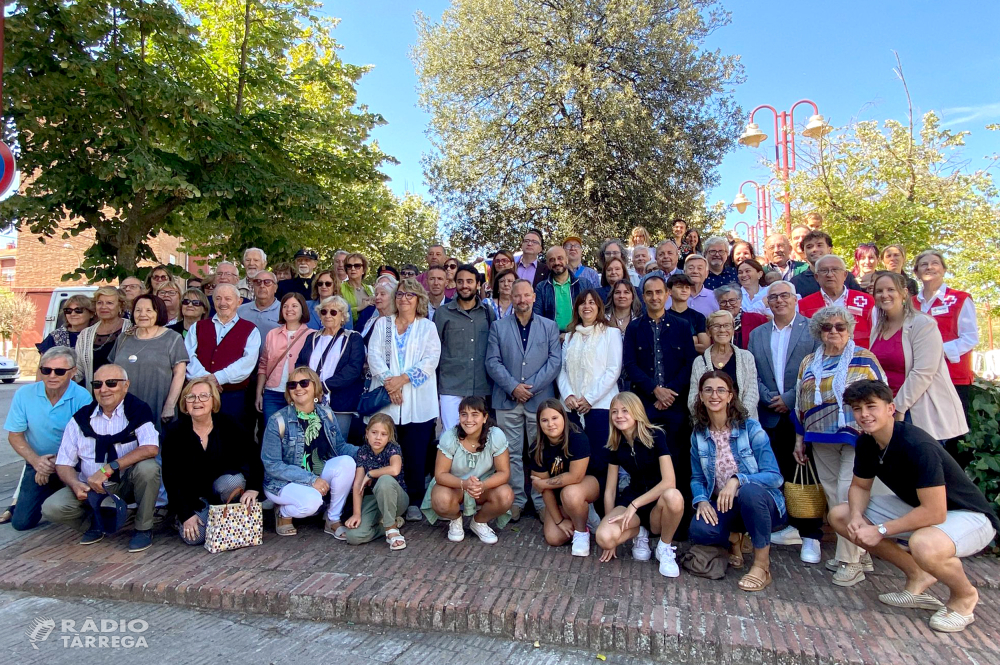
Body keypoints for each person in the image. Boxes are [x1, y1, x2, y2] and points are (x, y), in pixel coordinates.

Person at [831, 380, 1000, 633]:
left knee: (923, 543)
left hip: (971, 517)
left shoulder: (917, 445)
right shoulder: (867, 442)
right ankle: (918, 575)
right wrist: (856, 516)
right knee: (841, 515)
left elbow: (935, 512)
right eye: (856, 408)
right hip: (926, 509)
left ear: (890, 408)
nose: (863, 414)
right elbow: (860, 487)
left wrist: (880, 530)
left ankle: (964, 597)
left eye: (871, 406)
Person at [793, 305, 887, 587]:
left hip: (859, 438)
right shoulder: (810, 361)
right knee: (834, 496)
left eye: (839, 326)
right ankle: (859, 551)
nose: (833, 331)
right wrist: (799, 438)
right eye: (827, 327)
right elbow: (800, 400)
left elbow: (881, 396)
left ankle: (850, 561)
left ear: (849, 329)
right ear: (818, 332)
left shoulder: (864, 357)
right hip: (820, 437)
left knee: (849, 496)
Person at [41, 364, 161, 552]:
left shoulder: (137, 410)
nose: (103, 389)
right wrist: (74, 483)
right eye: (97, 384)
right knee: (52, 508)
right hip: (90, 486)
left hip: (125, 483)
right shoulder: (81, 418)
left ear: (126, 385)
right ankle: (97, 524)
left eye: (111, 383)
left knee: (149, 468)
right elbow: (64, 463)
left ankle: (143, 529)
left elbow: (150, 447)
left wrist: (109, 468)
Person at [747, 280, 824, 562]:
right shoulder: (757, 334)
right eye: (774, 297)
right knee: (776, 470)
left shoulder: (812, 330)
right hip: (769, 414)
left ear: (795, 299)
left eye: (785, 296)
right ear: (767, 302)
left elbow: (815, 368)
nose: (779, 301)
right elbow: (751, 369)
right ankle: (788, 525)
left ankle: (812, 535)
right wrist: (768, 397)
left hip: (800, 411)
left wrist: (789, 398)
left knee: (804, 472)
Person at [689, 371, 786, 591]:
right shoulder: (698, 434)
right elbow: (696, 477)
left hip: (763, 504)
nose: (715, 395)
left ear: (730, 396)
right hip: (726, 507)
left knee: (749, 492)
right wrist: (702, 500)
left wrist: (737, 480)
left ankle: (762, 566)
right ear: (701, 397)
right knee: (700, 530)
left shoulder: (750, 428)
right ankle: (735, 538)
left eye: (721, 390)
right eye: (708, 390)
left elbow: (775, 476)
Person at [486, 279, 561, 520]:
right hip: (507, 399)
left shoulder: (549, 327)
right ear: (511, 296)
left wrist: (530, 388)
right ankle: (517, 500)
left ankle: (542, 502)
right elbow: (492, 361)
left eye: (526, 295)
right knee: (512, 453)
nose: (522, 300)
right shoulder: (498, 326)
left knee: (539, 452)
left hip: (540, 401)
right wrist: (513, 387)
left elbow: (555, 361)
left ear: (534, 297)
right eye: (517, 296)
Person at [367, 278, 441, 522]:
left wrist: (403, 379)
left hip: (418, 400)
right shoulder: (383, 324)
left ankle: (415, 500)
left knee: (415, 453)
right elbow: (374, 355)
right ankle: (387, 499)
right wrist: (391, 382)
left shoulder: (427, 327)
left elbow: (431, 359)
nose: (404, 298)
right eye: (400, 294)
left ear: (419, 299)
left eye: (410, 294)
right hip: (388, 399)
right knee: (386, 450)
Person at [161, 377, 262, 545]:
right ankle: (189, 519)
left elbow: (254, 457)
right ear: (185, 403)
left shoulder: (230, 425)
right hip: (194, 498)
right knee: (193, 538)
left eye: (203, 396)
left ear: (213, 400)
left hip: (221, 491)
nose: (197, 401)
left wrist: (253, 488)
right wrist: (186, 514)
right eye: (191, 397)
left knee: (232, 482)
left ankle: (228, 518)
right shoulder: (175, 432)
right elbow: (171, 479)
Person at [869, 271, 968, 442]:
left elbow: (923, 372)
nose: (884, 295)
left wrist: (898, 408)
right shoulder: (878, 327)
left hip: (917, 411)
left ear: (904, 293)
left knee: (921, 467)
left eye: (890, 290)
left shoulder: (923, 324)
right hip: (887, 409)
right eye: (879, 291)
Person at [594, 392, 685, 577]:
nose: (619, 416)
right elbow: (610, 490)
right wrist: (609, 521)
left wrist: (635, 505)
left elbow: (669, 482)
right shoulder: (616, 443)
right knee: (604, 538)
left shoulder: (656, 435)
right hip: (631, 498)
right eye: (614, 412)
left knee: (674, 496)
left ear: (636, 412)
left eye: (625, 411)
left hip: (657, 502)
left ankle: (664, 548)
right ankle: (639, 534)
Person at [261, 367, 358, 538]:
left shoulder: (326, 413)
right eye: (292, 385)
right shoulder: (278, 421)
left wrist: (368, 453)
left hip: (317, 476)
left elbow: (340, 447)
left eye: (304, 383)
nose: (298, 388)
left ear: (315, 386)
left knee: (346, 462)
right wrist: (310, 479)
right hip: (283, 483)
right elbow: (272, 465)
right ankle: (283, 513)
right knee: (311, 503)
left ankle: (332, 518)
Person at [4, 347, 92, 531]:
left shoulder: (82, 397)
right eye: (46, 370)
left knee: (83, 506)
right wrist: (36, 462)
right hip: (39, 462)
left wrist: (54, 463)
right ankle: (47, 492)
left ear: (73, 372)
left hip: (74, 463)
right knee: (21, 523)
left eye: (59, 371)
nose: (52, 375)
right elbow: (15, 435)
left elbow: (84, 440)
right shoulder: (24, 394)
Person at [422, 396, 514, 543]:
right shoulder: (450, 437)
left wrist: (482, 485)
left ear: (485, 417)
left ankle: (479, 522)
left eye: (475, 414)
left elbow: (504, 473)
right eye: (464, 414)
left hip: (483, 487)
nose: (468, 419)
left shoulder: (496, 435)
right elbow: (440, 474)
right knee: (440, 499)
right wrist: (465, 484)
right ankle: (456, 519)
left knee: (506, 496)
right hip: (454, 485)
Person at [557, 291, 621, 492]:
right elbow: (561, 369)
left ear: (599, 307)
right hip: (572, 407)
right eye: (582, 303)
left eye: (592, 302)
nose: (587, 306)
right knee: (573, 458)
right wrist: (568, 395)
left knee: (600, 459)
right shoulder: (569, 337)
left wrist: (590, 399)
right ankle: (577, 505)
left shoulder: (611, 333)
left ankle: (602, 508)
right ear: (576, 308)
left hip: (600, 406)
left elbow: (613, 369)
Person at [913, 250, 978, 446]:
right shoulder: (910, 303)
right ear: (916, 272)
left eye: (935, 263)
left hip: (953, 376)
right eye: (924, 264)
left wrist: (936, 352)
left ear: (943, 270)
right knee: (923, 435)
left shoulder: (960, 299)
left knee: (952, 436)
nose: (929, 267)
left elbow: (970, 337)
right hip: (918, 377)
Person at [530, 399, 600, 555]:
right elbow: (544, 490)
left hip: (586, 485)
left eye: (555, 418)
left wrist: (544, 483)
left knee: (570, 493)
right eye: (544, 420)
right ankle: (579, 516)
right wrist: (559, 521)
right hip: (556, 494)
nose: (550, 424)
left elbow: (575, 477)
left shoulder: (577, 437)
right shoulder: (537, 447)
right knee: (554, 538)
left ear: (563, 417)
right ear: (539, 423)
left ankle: (581, 531)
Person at [108, 294, 188, 430]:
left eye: (149, 310)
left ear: (159, 313)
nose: (142, 314)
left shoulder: (172, 338)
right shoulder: (124, 338)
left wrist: (169, 405)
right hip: (123, 407)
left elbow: (179, 374)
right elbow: (112, 371)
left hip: (157, 406)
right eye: (138, 310)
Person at [184, 284, 261, 423]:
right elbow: (188, 356)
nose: (222, 303)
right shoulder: (198, 327)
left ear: (239, 302)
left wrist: (218, 378)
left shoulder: (250, 329)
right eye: (218, 298)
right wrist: (206, 380)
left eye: (228, 299)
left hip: (233, 397)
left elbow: (247, 362)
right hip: (199, 396)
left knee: (231, 438)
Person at [435, 264, 496, 430]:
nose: (465, 286)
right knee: (450, 436)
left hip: (481, 385)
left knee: (478, 436)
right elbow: (434, 350)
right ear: (455, 284)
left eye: (469, 281)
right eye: (460, 281)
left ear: (477, 284)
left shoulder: (487, 312)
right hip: (451, 385)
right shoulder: (442, 313)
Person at [296, 295, 365, 436]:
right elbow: (300, 364)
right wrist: (307, 386)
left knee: (335, 445)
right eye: (324, 311)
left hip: (339, 402)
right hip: (309, 399)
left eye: (333, 312)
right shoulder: (312, 337)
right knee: (308, 444)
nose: (328, 315)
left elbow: (353, 369)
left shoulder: (353, 338)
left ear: (343, 316)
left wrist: (323, 386)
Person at [343, 414, 408, 549]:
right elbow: (358, 484)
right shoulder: (363, 451)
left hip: (396, 499)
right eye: (374, 432)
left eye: (384, 434)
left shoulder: (393, 448)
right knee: (353, 536)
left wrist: (371, 474)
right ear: (367, 433)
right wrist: (357, 514)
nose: (378, 437)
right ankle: (388, 525)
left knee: (384, 480)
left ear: (389, 436)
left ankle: (391, 529)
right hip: (374, 500)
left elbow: (395, 469)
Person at [688, 310, 759, 419]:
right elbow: (693, 399)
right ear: (708, 331)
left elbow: (752, 394)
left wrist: (737, 420)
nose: (722, 330)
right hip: (709, 425)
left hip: (743, 424)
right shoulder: (699, 362)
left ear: (733, 329)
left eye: (727, 325)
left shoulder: (746, 357)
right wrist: (715, 421)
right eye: (716, 326)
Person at [257, 293, 312, 427]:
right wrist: (259, 393)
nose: (289, 309)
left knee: (298, 434)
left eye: (294, 306)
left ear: (302, 309)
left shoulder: (312, 335)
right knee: (273, 433)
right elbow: (263, 365)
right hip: (273, 393)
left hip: (300, 393)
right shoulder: (272, 334)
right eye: (285, 306)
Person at [797, 254, 875, 348]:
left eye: (835, 270)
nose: (830, 274)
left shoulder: (866, 301)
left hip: (859, 358)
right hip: (820, 358)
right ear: (817, 277)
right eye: (824, 270)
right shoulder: (803, 305)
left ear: (845, 275)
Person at [76, 286, 131, 390]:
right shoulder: (85, 334)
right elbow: (78, 371)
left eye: (109, 303)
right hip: (95, 394)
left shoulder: (132, 329)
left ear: (120, 306)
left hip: (125, 394)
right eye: (99, 303)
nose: (103, 307)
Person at [790, 230, 862, 298]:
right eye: (809, 247)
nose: (814, 249)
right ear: (804, 253)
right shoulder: (796, 283)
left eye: (819, 245)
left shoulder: (846, 276)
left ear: (829, 250)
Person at [534, 246, 582, 332]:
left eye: (560, 258)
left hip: (579, 335)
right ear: (548, 264)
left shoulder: (583, 284)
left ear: (567, 259)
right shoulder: (541, 288)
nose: (556, 262)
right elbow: (537, 317)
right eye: (552, 260)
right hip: (552, 337)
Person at [714, 285, 768, 350]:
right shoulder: (714, 322)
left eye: (732, 300)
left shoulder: (758, 319)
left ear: (740, 300)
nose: (728, 305)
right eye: (723, 302)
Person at [666, 274, 710, 353]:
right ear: (669, 291)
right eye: (679, 287)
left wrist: (675, 343)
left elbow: (705, 347)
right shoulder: (663, 317)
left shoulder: (698, 317)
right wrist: (693, 340)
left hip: (693, 362)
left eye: (687, 287)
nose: (684, 290)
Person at [238, 270, 281, 342]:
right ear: (253, 287)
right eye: (258, 282)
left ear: (275, 288)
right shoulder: (240, 310)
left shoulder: (284, 311)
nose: (262, 286)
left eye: (267, 282)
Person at [357, 275, 397, 347]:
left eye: (382, 294)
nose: (377, 297)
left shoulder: (397, 322)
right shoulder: (371, 321)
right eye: (376, 294)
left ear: (392, 297)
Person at [681, 254, 720, 318]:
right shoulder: (674, 296)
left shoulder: (714, 297)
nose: (695, 271)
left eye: (699, 268)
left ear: (706, 274)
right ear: (684, 272)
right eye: (691, 268)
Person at [341, 253, 375, 323]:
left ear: (363, 270)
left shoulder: (371, 289)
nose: (353, 269)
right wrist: (359, 308)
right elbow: (337, 314)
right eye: (349, 266)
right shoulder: (339, 288)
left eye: (357, 266)